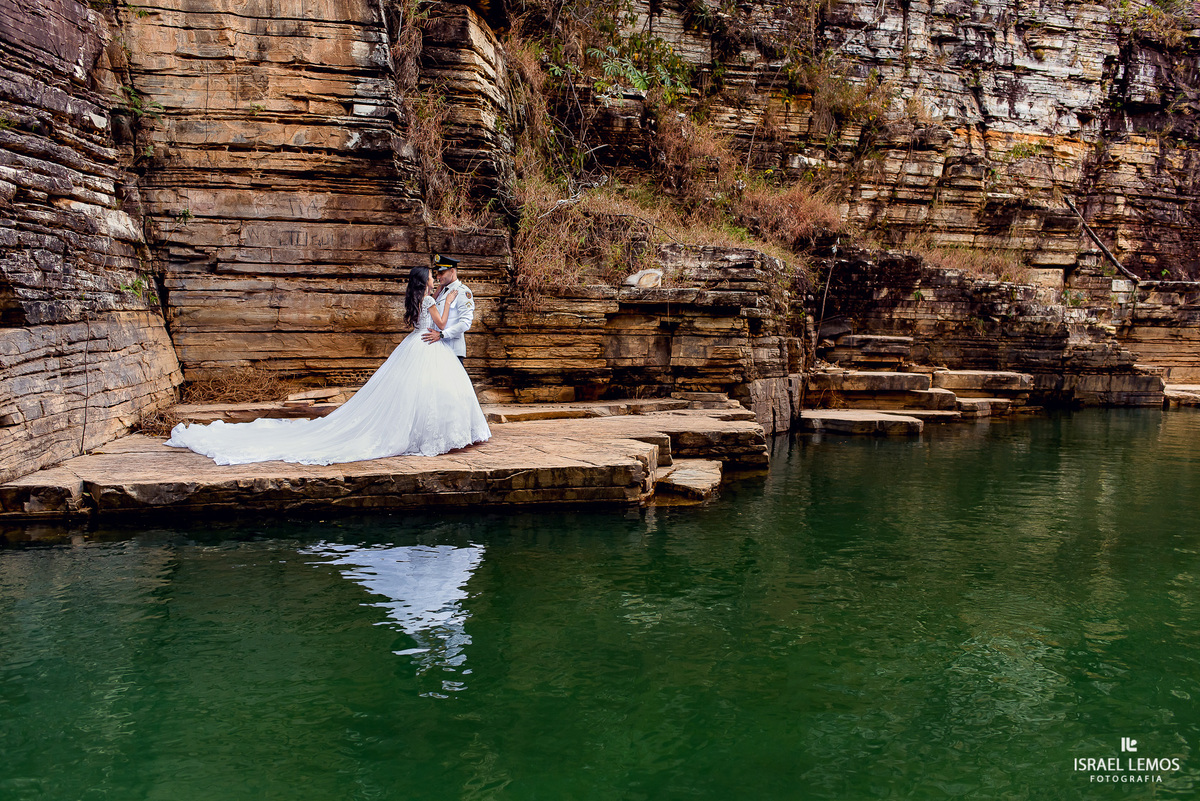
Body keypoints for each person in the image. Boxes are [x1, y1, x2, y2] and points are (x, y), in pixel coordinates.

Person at [164, 259, 491, 465]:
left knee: (412, 395)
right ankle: (435, 437)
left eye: (439, 273)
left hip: (416, 344)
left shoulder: (415, 297)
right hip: (428, 345)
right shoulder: (434, 297)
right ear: (427, 282)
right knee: (429, 393)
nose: (436, 277)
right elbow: (443, 319)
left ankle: (431, 435)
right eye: (433, 276)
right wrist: (446, 300)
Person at [422, 254, 473, 362]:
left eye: (441, 273)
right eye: (437, 273)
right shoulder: (441, 291)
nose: (438, 277)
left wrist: (441, 335)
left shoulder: (462, 291)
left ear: (452, 271)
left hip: (453, 349)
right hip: (437, 349)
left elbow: (465, 323)